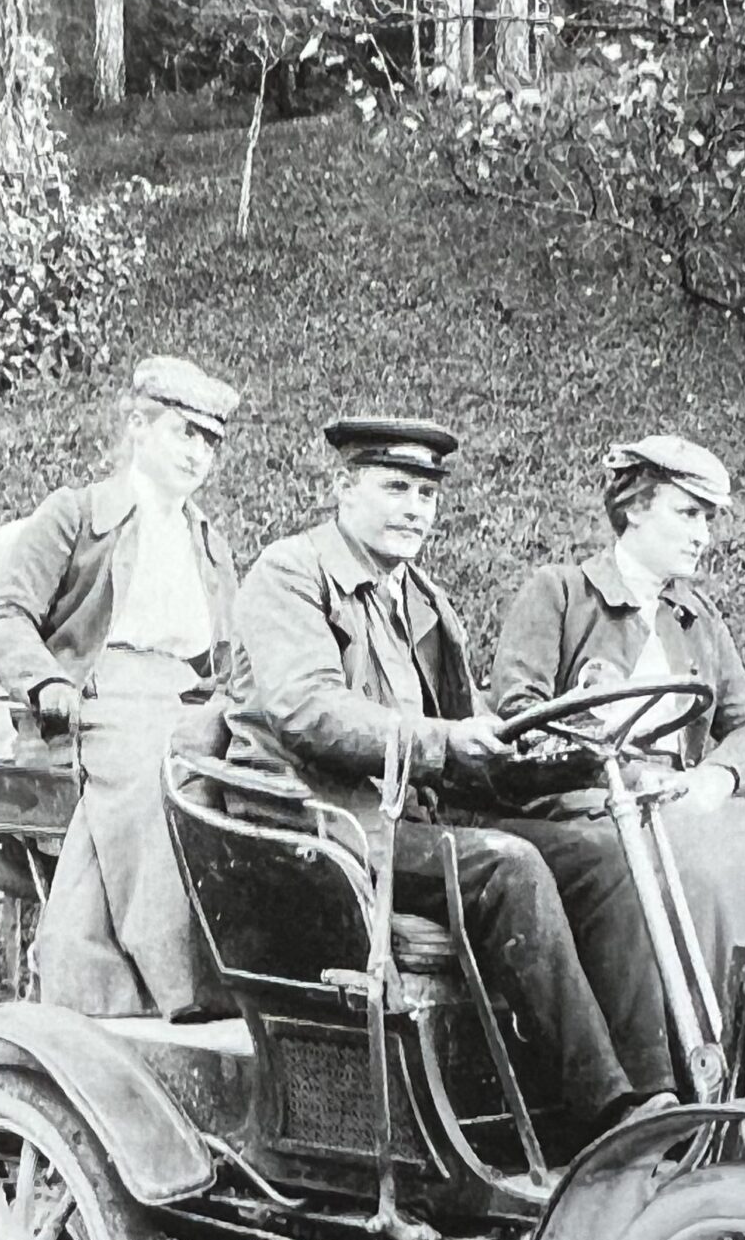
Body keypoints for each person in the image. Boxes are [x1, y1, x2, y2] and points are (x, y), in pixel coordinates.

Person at [223, 415, 676, 1137]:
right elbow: (307, 709)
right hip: (319, 828)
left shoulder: (423, 600)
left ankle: (656, 1098)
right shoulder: (291, 574)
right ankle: (604, 1113)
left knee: (602, 856)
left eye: (427, 494)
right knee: (508, 865)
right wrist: (447, 743)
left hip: (409, 823)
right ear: (344, 489)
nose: (414, 508)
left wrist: (555, 757)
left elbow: (474, 745)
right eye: (395, 486)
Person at [492, 433, 745, 1008]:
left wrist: (715, 779)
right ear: (634, 508)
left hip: (681, 803)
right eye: (687, 514)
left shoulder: (696, 617)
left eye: (707, 519)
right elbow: (518, 708)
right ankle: (700, 1059)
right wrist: (610, 759)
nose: (702, 535)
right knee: (698, 877)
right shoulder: (560, 592)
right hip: (586, 805)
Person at [0, 355, 241, 1020]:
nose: (198, 454)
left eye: (210, 441)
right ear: (138, 427)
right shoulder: (76, 514)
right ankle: (186, 984)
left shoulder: (208, 542)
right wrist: (45, 681)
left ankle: (113, 989)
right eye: (184, 432)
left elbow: (231, 653)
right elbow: (6, 618)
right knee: (162, 763)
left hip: (191, 694)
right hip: (98, 697)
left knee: (254, 774)